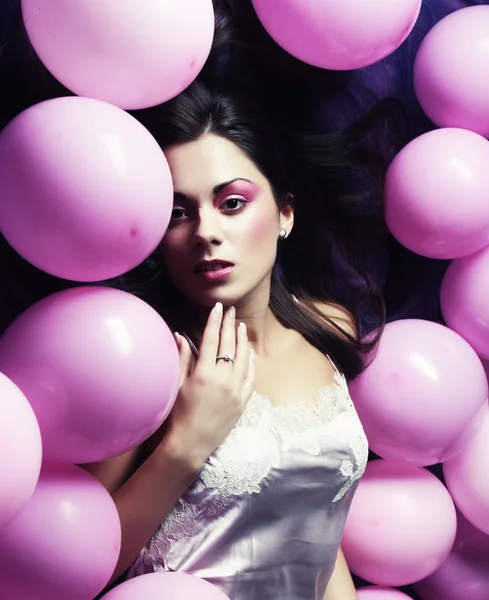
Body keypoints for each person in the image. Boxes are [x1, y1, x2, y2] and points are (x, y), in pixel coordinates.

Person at [78, 6, 402, 599]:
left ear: (284, 212)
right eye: (179, 211)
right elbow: (77, 567)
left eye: (231, 203)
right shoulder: (148, 364)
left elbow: (315, 534)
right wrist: (188, 441)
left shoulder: (328, 327)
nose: (205, 231)